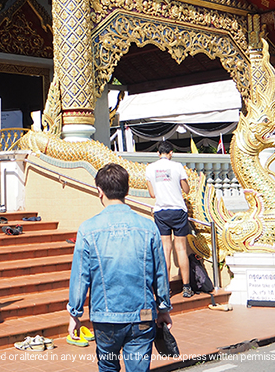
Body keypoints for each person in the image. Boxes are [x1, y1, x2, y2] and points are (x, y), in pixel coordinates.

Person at [67, 163, 172, 372]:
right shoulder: (148, 227)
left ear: (99, 191)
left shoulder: (88, 229)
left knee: (107, 366)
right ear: (127, 190)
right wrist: (164, 308)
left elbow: (80, 276)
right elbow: (160, 272)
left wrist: (75, 314)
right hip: (142, 314)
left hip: (105, 316)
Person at [145, 140, 193, 299]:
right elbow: (186, 189)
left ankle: (164, 289)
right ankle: (186, 287)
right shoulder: (178, 166)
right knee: (181, 249)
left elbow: (152, 194)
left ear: (158, 153)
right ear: (170, 152)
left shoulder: (150, 168)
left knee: (165, 250)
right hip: (178, 210)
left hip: (161, 211)